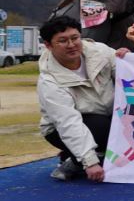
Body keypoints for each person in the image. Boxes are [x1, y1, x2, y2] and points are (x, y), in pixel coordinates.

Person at [37, 16, 128, 182]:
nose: (71, 45)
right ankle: (79, 159)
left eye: (75, 38)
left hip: (108, 115)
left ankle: (75, 156)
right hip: (63, 128)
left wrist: (128, 60)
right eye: (63, 41)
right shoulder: (49, 81)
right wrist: (90, 162)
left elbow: (129, 77)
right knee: (102, 126)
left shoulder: (100, 51)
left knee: (132, 123)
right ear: (48, 45)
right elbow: (68, 122)